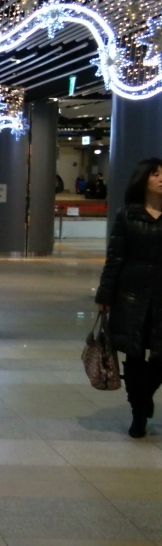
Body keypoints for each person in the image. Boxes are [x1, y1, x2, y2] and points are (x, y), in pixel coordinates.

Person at [95, 157, 162, 438]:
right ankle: (138, 412)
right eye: (155, 174)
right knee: (134, 355)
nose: (161, 178)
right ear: (143, 180)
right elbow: (115, 258)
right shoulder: (127, 216)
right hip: (132, 296)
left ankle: (143, 397)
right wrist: (104, 294)